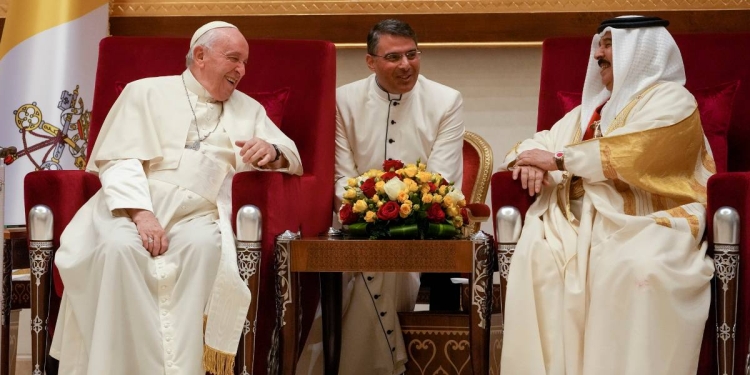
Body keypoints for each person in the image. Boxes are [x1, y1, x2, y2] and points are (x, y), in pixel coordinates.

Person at [49, 21, 302, 375]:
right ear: (200, 55)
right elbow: (120, 160)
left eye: (245, 63)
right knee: (117, 250)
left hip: (201, 212)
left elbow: (291, 154)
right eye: (234, 59)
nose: (241, 70)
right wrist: (141, 214)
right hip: (132, 206)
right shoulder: (144, 93)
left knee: (205, 249)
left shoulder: (249, 109)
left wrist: (272, 150)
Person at [498, 16, 715, 374]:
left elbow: (636, 150)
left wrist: (556, 159)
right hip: (578, 219)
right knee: (539, 257)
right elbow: (538, 142)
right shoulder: (591, 110)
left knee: (635, 267)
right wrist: (527, 161)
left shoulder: (673, 101)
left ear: (640, 50)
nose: (598, 53)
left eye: (609, 45)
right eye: (599, 45)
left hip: (649, 218)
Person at [296, 19, 464, 375]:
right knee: (361, 264)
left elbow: (442, 179)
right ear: (371, 61)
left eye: (412, 55)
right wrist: (370, 210)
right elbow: (341, 176)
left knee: (387, 263)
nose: (406, 65)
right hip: (352, 222)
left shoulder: (446, 100)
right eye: (393, 57)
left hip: (418, 229)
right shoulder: (343, 99)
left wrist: (400, 215)